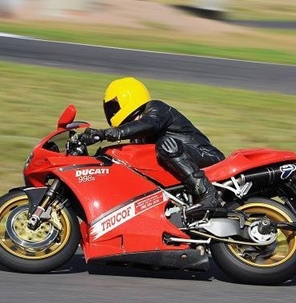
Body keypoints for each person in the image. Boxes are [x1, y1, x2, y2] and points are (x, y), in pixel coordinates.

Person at [80, 77, 225, 212]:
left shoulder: (156, 109)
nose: (111, 112)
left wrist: (106, 133)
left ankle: (208, 193)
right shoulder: (137, 138)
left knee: (167, 145)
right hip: (185, 165)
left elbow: (149, 124)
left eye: (114, 106)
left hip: (206, 156)